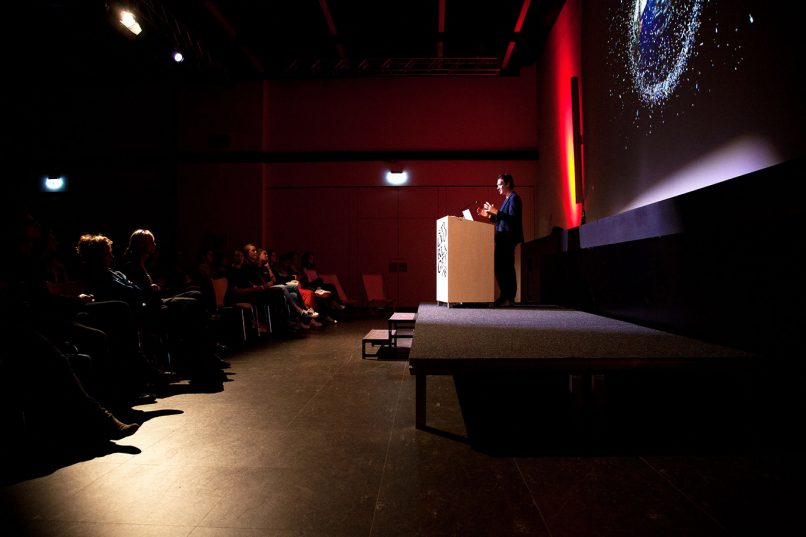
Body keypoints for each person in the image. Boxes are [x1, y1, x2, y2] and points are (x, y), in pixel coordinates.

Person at [477, 173, 524, 307]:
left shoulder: (514, 198)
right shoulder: (507, 199)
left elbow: (513, 219)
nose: (497, 187)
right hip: (503, 238)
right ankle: (505, 296)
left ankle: (508, 297)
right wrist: (489, 216)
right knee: (500, 267)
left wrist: (496, 211)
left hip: (508, 239)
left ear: (508, 183)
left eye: (500, 184)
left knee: (506, 268)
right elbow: (502, 220)